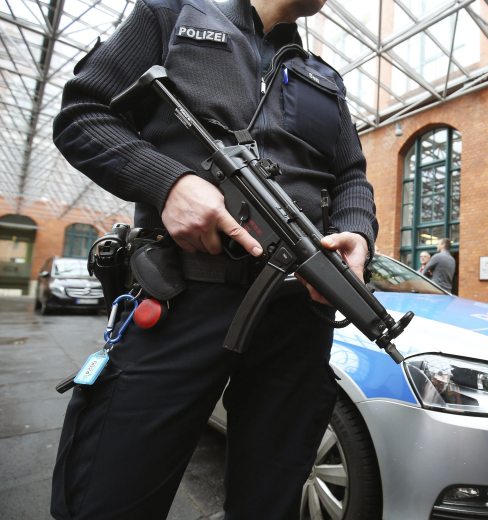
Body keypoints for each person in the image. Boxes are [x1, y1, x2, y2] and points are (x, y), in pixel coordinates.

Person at [49, 0, 378, 518]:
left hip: (297, 313)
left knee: (270, 502)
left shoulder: (323, 76)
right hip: (181, 297)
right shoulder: (172, 12)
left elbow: (351, 176)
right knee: (111, 495)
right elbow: (82, 116)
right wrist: (168, 182)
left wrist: (357, 232)